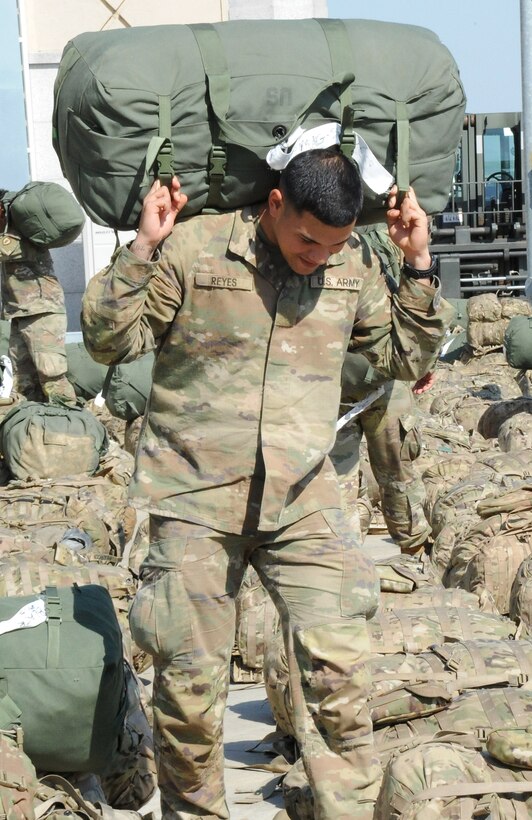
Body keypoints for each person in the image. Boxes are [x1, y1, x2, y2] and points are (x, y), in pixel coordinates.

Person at [81, 148, 453, 820]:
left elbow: (403, 356)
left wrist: (416, 262)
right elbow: (109, 341)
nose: (317, 256)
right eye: (306, 239)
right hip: (194, 497)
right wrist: (142, 244)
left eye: (331, 244)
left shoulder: (357, 262)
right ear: (275, 204)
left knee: (340, 680)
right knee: (189, 698)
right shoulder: (195, 248)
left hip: (303, 498)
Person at [332, 227, 437, 555]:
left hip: (334, 380)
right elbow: (411, 303)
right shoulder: (388, 233)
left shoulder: (314, 228)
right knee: (398, 477)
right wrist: (420, 364)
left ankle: (344, 566)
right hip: (382, 376)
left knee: (340, 483)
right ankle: (413, 559)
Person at [0, 189, 77, 404]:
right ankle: (33, 429)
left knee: (52, 377)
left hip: (42, 312)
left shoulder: (25, 235)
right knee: (22, 381)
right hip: (20, 313)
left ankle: (69, 427)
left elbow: (5, 250)